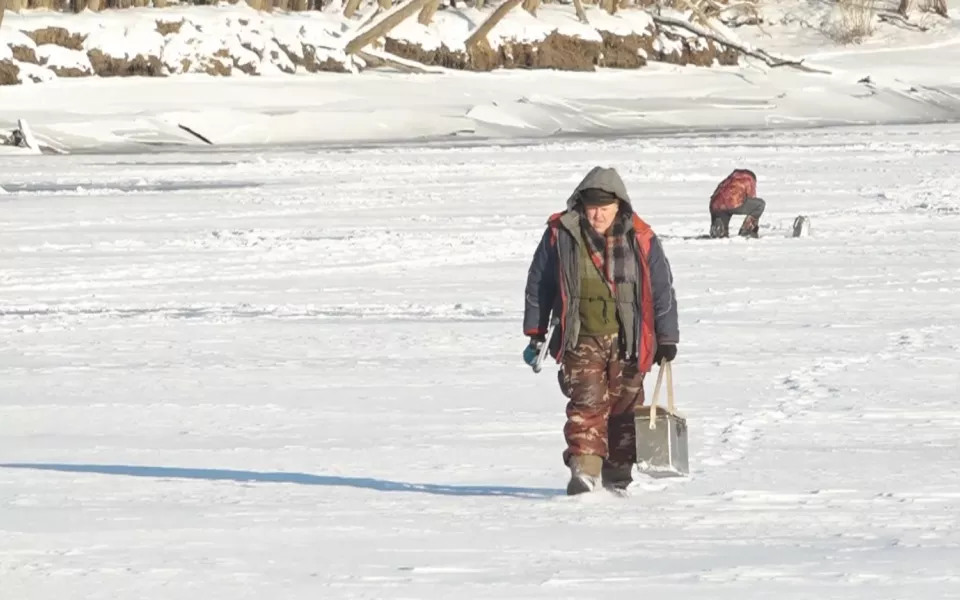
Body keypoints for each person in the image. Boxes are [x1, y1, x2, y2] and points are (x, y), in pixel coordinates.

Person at [522, 166, 680, 496]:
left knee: (625, 406)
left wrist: (666, 338)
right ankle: (584, 472)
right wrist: (536, 332)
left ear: (619, 206)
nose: (596, 216)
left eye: (604, 209)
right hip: (580, 335)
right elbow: (540, 282)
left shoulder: (640, 236)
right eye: (591, 208)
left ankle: (617, 476)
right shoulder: (560, 234)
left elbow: (661, 289)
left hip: (629, 338)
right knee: (587, 402)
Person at [708, 168, 766, 238]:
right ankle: (747, 231)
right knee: (760, 204)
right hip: (732, 202)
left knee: (721, 235)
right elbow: (752, 197)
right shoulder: (749, 179)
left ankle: (718, 230)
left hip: (715, 204)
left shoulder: (729, 179)